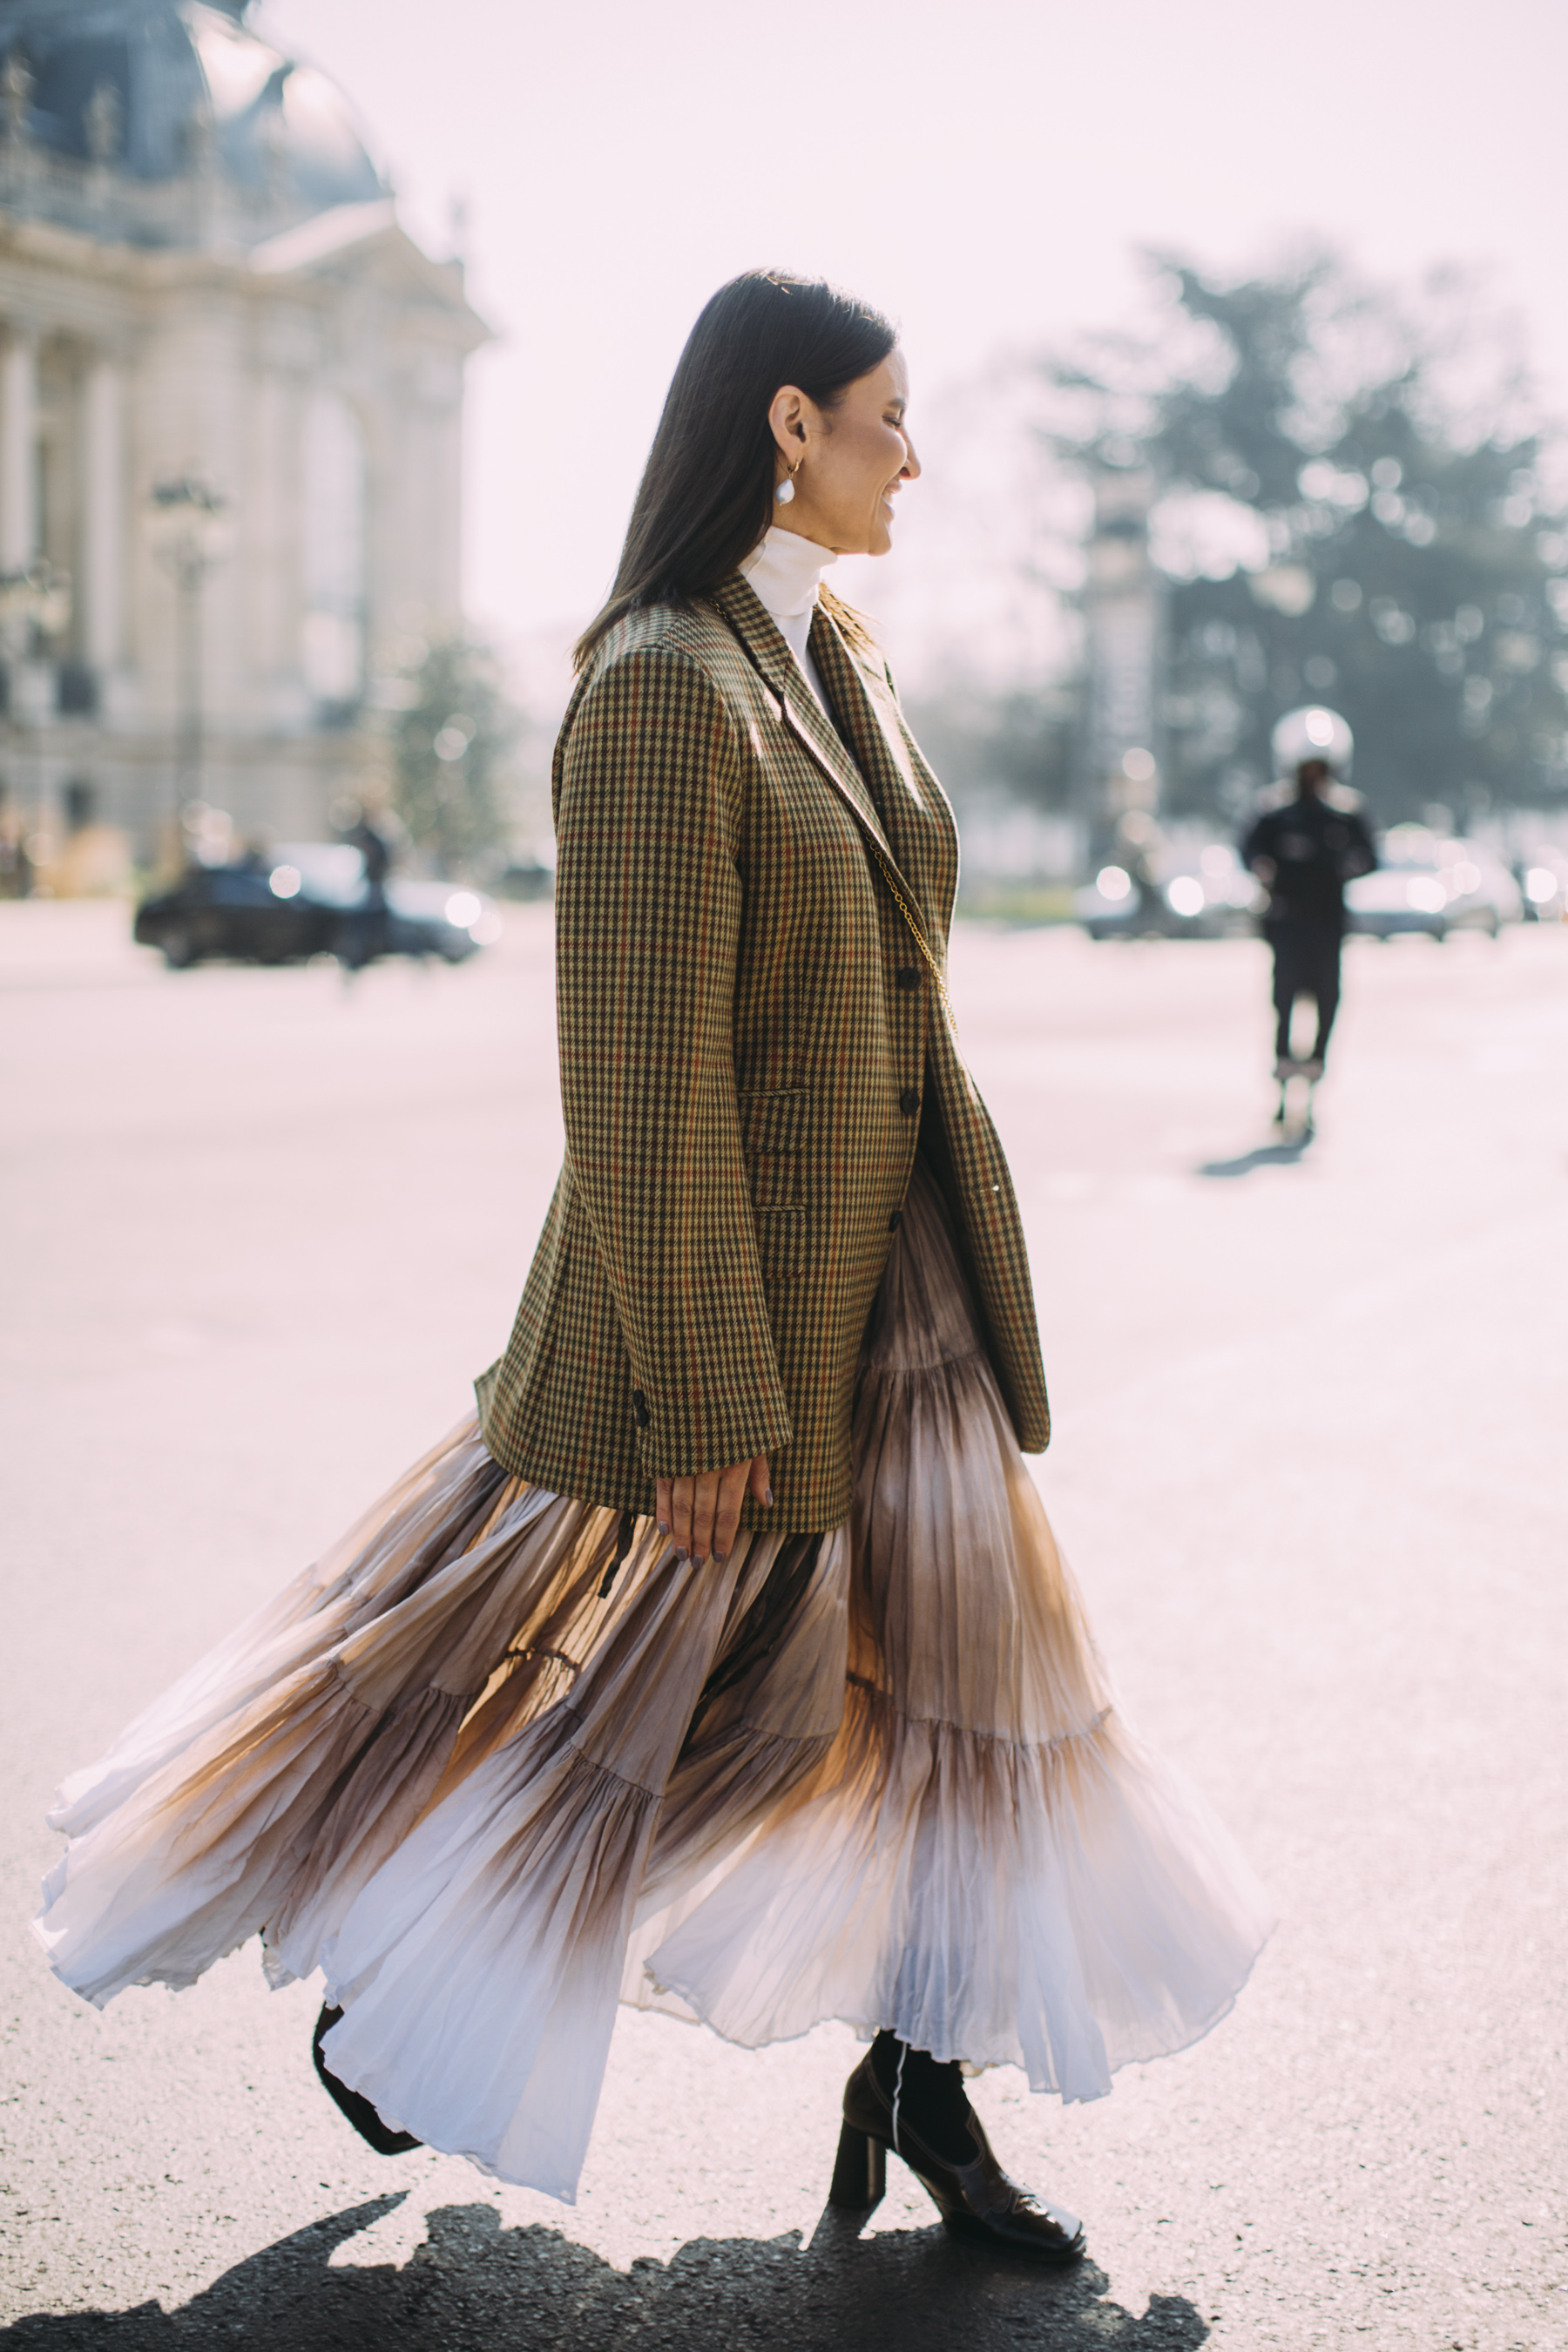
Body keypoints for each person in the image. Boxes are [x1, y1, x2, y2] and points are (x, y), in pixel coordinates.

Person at [36, 272, 1269, 2268]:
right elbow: (638, 1084)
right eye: (887, 413)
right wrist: (706, 1393)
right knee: (672, 1698)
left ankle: (922, 2091)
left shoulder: (835, 659)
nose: (915, 453)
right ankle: (409, 1969)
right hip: (736, 1316)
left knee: (965, 1698)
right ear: (787, 425)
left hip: (904, 1306)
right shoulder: (655, 687)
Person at [1242, 755, 1375, 1119]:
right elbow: (1249, 849)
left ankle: (1314, 1080)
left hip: (1326, 926)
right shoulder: (1276, 814)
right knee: (1283, 1005)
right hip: (1288, 925)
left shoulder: (1343, 814)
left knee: (1326, 1004)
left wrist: (1346, 866)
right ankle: (1284, 1082)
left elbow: (1370, 855)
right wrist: (1262, 867)